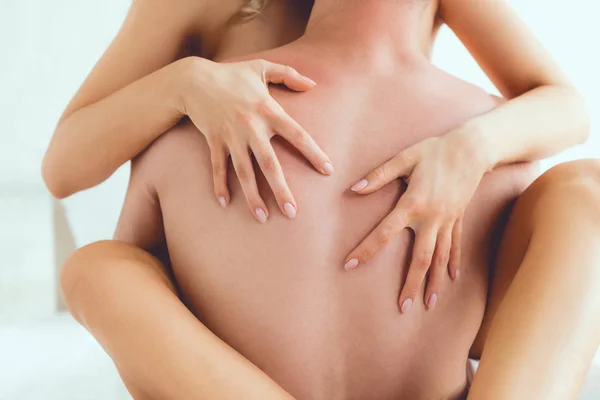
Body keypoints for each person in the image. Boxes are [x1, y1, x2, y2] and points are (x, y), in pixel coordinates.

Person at [48, 0, 600, 399]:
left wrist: (473, 147)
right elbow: (64, 167)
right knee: (97, 268)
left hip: (399, 298)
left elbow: (568, 106)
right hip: (244, 307)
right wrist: (184, 85)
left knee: (586, 192)